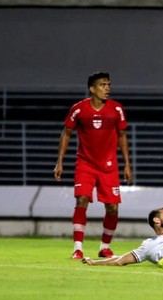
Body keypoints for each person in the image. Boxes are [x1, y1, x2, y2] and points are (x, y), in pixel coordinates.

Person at [53, 72, 133, 260]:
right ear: (92, 89)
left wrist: (127, 164)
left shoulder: (117, 109)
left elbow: (122, 137)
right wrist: (60, 161)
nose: (107, 88)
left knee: (112, 207)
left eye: (108, 85)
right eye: (103, 85)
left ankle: (105, 247)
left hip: (109, 166)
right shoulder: (79, 109)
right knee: (81, 199)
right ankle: (78, 248)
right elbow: (66, 133)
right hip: (85, 163)